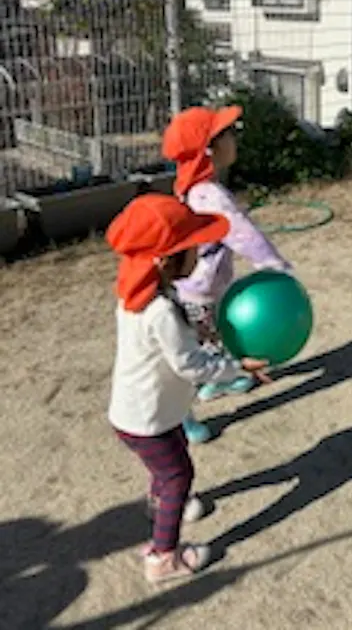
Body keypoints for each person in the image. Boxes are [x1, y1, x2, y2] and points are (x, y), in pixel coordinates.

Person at [106, 193, 270, 583]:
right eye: (191, 248)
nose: (200, 253)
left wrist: (208, 331)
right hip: (148, 418)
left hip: (144, 412)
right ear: (165, 260)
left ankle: (160, 505)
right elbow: (191, 366)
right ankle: (163, 557)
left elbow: (179, 338)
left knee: (168, 464)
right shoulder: (159, 310)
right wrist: (236, 367)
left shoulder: (138, 293)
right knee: (179, 475)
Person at [162, 105, 292, 444]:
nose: (235, 139)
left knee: (213, 338)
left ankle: (218, 382)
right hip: (198, 291)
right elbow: (242, 233)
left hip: (203, 286)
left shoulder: (193, 185)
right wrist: (274, 265)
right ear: (210, 149)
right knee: (190, 360)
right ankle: (180, 418)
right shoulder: (209, 194)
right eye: (229, 134)